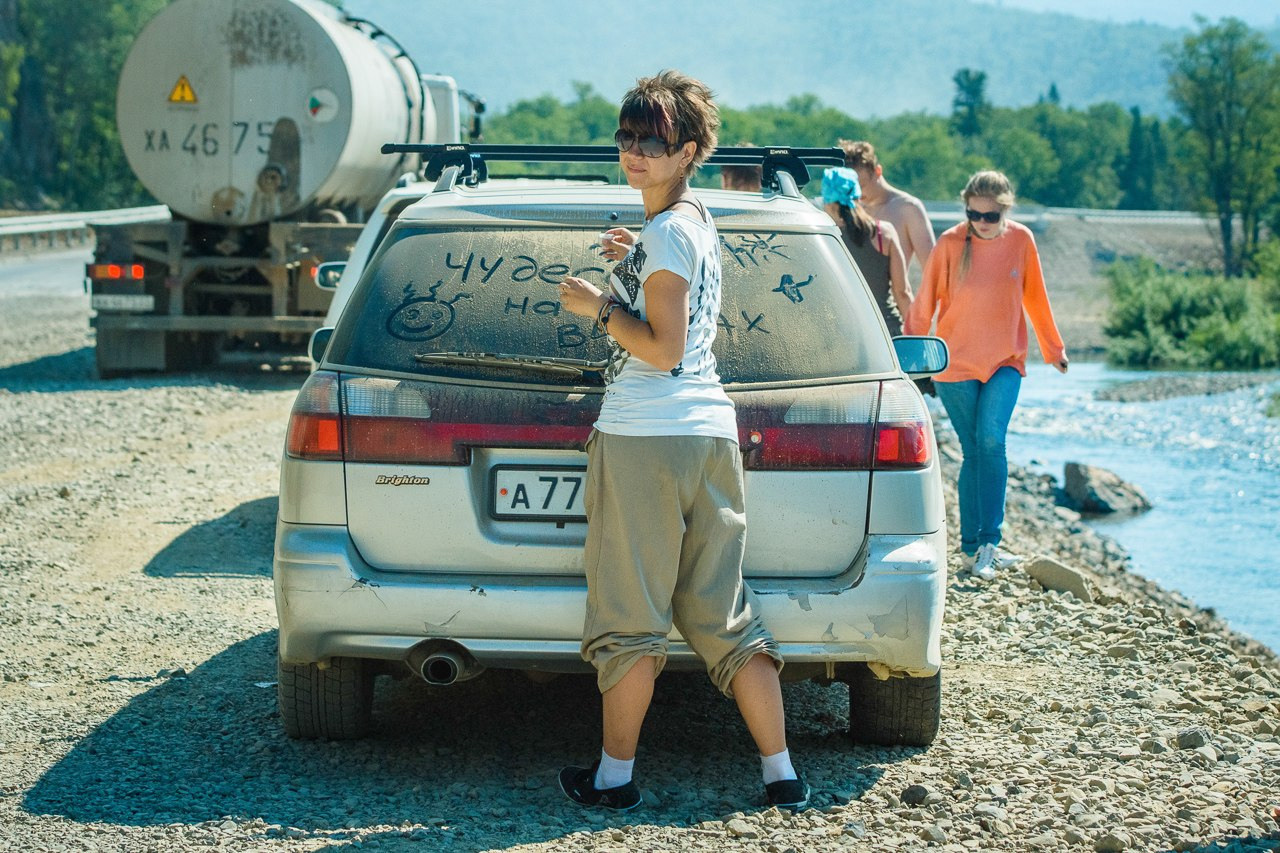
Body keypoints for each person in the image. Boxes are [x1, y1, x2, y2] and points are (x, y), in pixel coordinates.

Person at [555, 70, 808, 813]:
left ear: (688, 149)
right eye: (627, 137)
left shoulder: (668, 233)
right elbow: (681, 303)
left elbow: (662, 348)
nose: (634, 152)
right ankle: (782, 775)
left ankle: (613, 781)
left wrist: (598, 305)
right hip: (708, 435)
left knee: (631, 622)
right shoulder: (691, 223)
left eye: (652, 141)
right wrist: (634, 256)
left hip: (646, 436)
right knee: (722, 617)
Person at [903, 170, 1068, 581]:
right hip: (954, 366)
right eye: (973, 213)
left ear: (1004, 209)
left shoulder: (1021, 242)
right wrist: (909, 356)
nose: (981, 222)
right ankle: (970, 547)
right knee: (974, 450)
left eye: (990, 216)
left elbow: (1036, 298)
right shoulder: (950, 244)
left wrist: (1053, 349)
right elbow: (923, 305)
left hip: (1005, 362)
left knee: (992, 441)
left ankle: (989, 543)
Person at [820, 165, 911, 335]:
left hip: (841, 335)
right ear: (858, 195)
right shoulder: (884, 233)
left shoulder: (821, 238)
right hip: (886, 332)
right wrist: (918, 337)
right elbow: (902, 292)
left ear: (826, 200)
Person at [840, 140, 936, 279]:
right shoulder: (848, 208)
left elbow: (932, 267)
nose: (857, 194)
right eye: (851, 189)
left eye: (861, 186)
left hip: (892, 298)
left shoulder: (908, 208)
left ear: (878, 171)